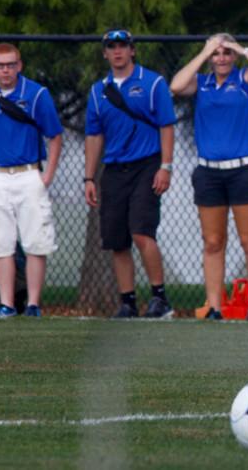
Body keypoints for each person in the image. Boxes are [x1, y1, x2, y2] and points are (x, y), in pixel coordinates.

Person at [170, 34, 248, 321]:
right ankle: (214, 307)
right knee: (212, 241)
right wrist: (203, 51)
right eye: (216, 54)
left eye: (226, 53)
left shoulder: (245, 79)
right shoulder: (202, 84)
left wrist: (241, 49)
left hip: (243, 171)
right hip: (209, 173)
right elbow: (176, 85)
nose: (221, 58)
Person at [0, 43, 63, 318]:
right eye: (0, 65)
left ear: (20, 65)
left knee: (35, 242)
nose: (6, 70)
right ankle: (6, 304)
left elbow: (54, 136)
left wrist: (47, 176)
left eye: (11, 64)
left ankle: (33, 304)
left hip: (29, 174)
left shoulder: (37, 94)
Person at [84, 29, 177, 319]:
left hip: (147, 165)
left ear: (132, 50)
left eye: (122, 46)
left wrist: (166, 166)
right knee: (117, 239)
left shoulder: (153, 83)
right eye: (111, 47)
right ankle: (128, 302)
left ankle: (160, 298)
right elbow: (94, 134)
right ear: (105, 53)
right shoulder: (98, 91)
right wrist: (88, 177)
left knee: (141, 232)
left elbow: (167, 126)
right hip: (114, 169)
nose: (117, 52)